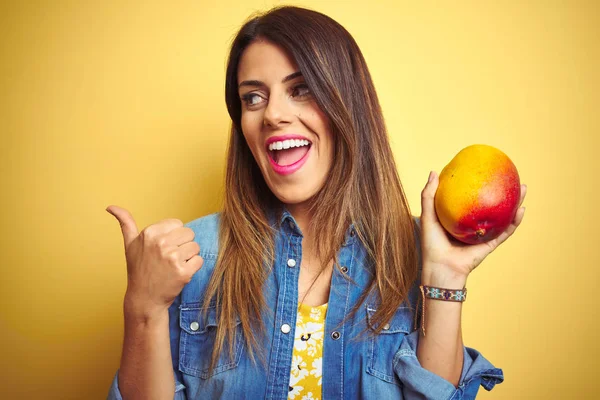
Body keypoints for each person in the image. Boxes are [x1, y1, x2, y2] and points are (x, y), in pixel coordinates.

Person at [106, 5, 526, 400]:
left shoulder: (414, 252)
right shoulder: (188, 258)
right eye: (253, 97)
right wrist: (143, 307)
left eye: (301, 89)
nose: (272, 115)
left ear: (348, 104)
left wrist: (444, 277)